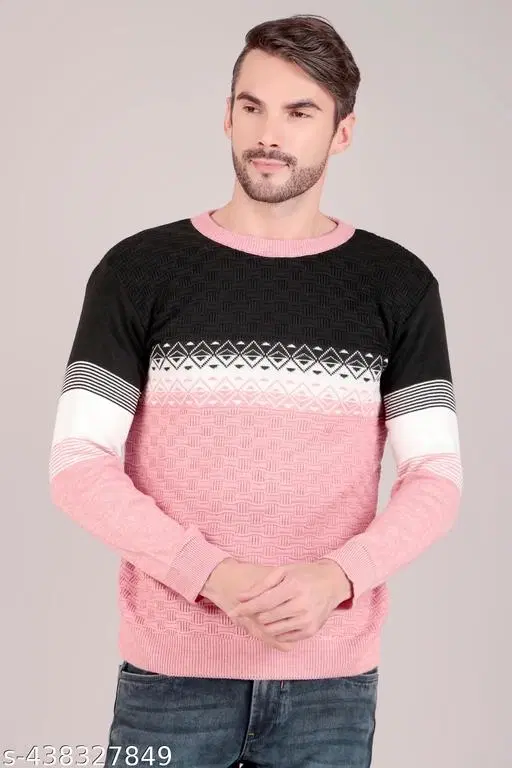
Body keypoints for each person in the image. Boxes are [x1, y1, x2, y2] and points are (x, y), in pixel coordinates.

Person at [48, 13, 463, 768]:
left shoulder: (397, 284)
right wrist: (212, 576)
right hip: (170, 680)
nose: (269, 134)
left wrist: (337, 577)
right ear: (227, 115)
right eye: (253, 106)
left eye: (299, 112)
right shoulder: (138, 271)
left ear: (342, 132)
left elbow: (436, 477)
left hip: (330, 689)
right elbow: (78, 464)